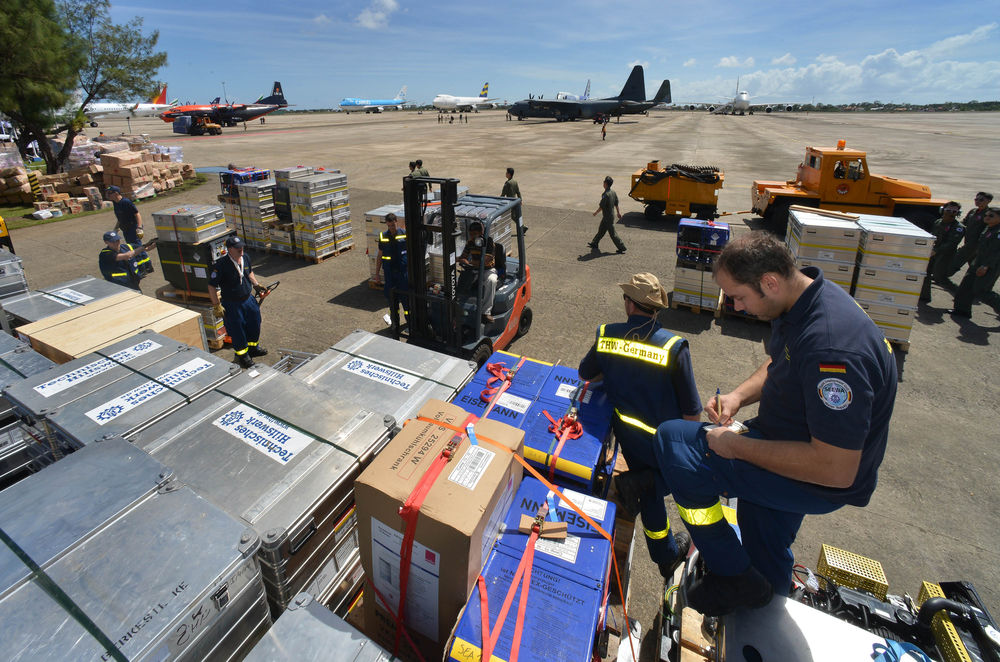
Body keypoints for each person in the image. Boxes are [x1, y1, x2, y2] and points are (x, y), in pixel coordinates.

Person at [654, 232, 897, 616]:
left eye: (738, 297)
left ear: (770, 281)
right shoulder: (804, 301)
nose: (734, 306)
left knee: (674, 443)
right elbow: (781, 363)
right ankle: (764, 599)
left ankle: (733, 575)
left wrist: (737, 447)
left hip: (817, 476)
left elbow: (835, 469)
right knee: (761, 536)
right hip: (790, 440)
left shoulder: (832, 350)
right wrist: (737, 397)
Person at [579, 273, 701, 579]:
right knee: (691, 476)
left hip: (628, 438)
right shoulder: (675, 347)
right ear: (655, 309)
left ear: (630, 304)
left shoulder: (607, 335)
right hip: (662, 443)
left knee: (649, 491)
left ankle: (665, 554)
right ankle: (664, 550)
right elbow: (691, 415)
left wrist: (616, 371)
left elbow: (586, 375)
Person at [208, 236, 268, 369]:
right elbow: (211, 286)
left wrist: (256, 285)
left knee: (255, 323)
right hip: (232, 304)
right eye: (237, 248)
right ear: (229, 249)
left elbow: (249, 272)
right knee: (237, 331)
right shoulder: (221, 265)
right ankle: (242, 356)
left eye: (242, 247)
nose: (241, 249)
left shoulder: (245, 257)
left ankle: (253, 348)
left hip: (248, 299)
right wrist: (216, 305)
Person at [949, 207, 1000, 318]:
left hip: (990, 265)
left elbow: (996, 253)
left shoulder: (998, 233)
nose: (987, 217)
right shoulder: (988, 228)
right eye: (986, 215)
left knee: (982, 291)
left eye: (991, 216)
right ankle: (962, 310)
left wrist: (985, 266)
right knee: (965, 286)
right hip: (977, 262)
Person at [920, 201, 964, 301]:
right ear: (942, 210)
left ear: (958, 213)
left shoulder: (958, 228)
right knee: (925, 273)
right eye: (948, 210)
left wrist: (936, 250)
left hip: (945, 256)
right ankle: (924, 296)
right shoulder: (938, 222)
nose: (950, 213)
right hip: (933, 252)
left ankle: (961, 296)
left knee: (940, 277)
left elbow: (951, 243)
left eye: (954, 211)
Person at [458, 221, 498, 323]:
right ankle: (458, 307)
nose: (472, 236)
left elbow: (487, 259)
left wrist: (470, 262)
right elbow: (463, 257)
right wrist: (460, 259)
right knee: (459, 279)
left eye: (474, 234)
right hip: (474, 270)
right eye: (470, 234)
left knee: (492, 281)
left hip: (487, 270)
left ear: (481, 232)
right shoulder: (470, 242)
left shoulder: (488, 241)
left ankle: (486, 312)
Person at [948, 192, 993, 277]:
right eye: (976, 199)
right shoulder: (973, 211)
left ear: (988, 201)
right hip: (968, 241)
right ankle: (974, 281)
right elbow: (964, 222)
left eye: (981, 200)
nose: (977, 201)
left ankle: (944, 277)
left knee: (958, 259)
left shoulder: (988, 214)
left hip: (975, 244)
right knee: (974, 264)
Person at [374, 212, 409, 324]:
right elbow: (380, 255)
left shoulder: (404, 234)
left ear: (396, 222)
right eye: (389, 226)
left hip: (402, 274)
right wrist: (377, 274)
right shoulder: (383, 236)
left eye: (393, 225)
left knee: (407, 303)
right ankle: (395, 325)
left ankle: (411, 324)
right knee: (392, 303)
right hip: (390, 275)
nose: (391, 228)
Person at [589, 176, 626, 253]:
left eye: (604, 182)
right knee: (601, 230)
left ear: (605, 184)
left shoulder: (606, 194)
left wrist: (596, 212)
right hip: (610, 215)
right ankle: (594, 243)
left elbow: (602, 206)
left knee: (612, 234)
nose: (603, 183)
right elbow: (616, 204)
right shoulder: (613, 192)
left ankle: (622, 247)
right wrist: (618, 213)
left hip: (608, 217)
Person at [500, 167, 527, 234]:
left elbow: (503, 194)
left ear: (509, 174)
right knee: (516, 216)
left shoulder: (507, 183)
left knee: (511, 216)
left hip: (510, 203)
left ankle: (522, 228)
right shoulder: (515, 182)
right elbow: (518, 192)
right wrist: (520, 200)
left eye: (506, 173)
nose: (505, 174)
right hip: (515, 201)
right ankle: (522, 227)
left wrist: (499, 201)